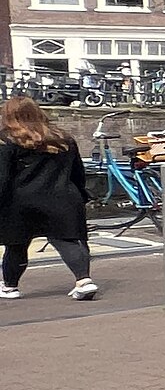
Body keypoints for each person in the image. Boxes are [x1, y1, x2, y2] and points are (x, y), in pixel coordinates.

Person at [0, 96, 99, 301]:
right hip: (63, 197)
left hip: (21, 201)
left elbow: (3, 177)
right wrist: (81, 194)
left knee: (17, 244)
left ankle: (10, 287)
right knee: (68, 241)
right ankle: (84, 280)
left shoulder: (7, 141)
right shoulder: (63, 139)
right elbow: (78, 172)